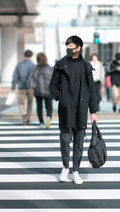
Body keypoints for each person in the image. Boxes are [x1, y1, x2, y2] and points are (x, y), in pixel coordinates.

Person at [49, 35, 98, 185]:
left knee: (78, 142)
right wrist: (60, 97)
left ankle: (75, 171)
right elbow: (52, 86)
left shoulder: (86, 66)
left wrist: (93, 112)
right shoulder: (60, 65)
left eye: (71, 46)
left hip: (81, 108)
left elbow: (92, 90)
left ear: (78, 48)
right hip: (66, 108)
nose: (68, 49)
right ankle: (65, 167)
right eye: (67, 46)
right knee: (64, 140)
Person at [27, 53, 54, 128]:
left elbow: (31, 80)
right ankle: (48, 117)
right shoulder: (50, 68)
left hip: (38, 91)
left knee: (39, 107)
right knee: (49, 107)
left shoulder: (36, 69)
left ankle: (41, 122)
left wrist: (31, 86)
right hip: (48, 91)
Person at [11, 50, 36, 125]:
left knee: (21, 103)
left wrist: (13, 87)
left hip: (21, 87)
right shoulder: (33, 65)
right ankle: (28, 119)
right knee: (30, 103)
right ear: (31, 56)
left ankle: (24, 114)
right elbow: (35, 77)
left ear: (24, 56)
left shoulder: (19, 65)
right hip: (31, 88)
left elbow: (15, 76)